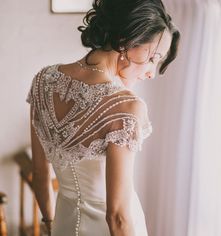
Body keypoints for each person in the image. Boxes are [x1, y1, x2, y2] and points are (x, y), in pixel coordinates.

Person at [26, 0, 180, 235]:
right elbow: (117, 216)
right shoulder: (125, 108)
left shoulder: (42, 81)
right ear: (128, 41)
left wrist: (50, 223)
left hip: (63, 224)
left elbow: (39, 173)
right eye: (152, 57)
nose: (151, 72)